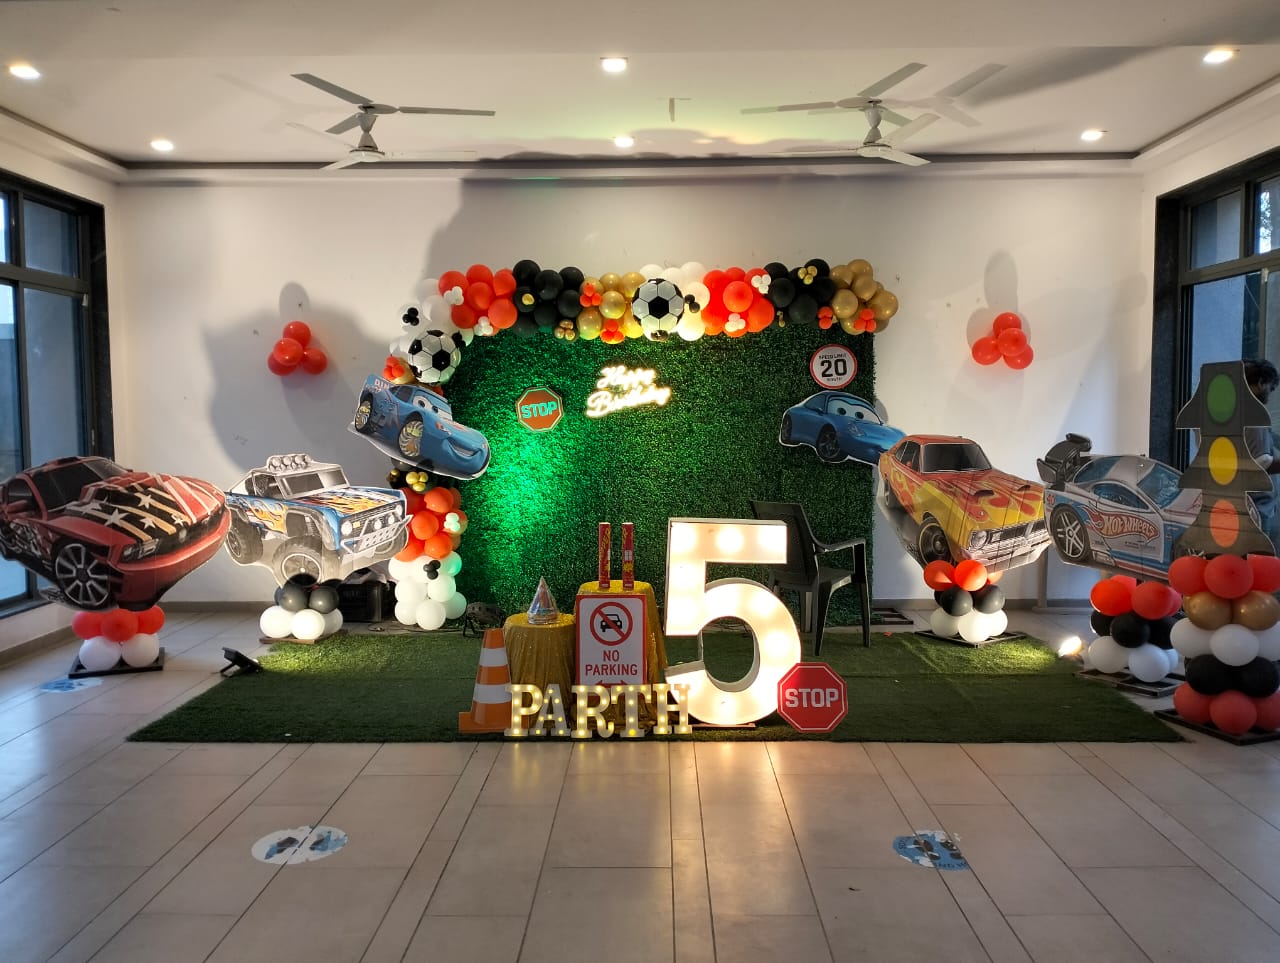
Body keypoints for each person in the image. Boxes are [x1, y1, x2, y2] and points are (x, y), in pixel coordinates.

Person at [1243, 359, 1280, 544]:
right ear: (1261, 383)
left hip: (1234, 504)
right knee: (1259, 555)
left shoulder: (1227, 410)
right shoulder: (1254, 414)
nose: (1270, 394)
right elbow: (1261, 464)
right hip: (1256, 508)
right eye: (1271, 388)